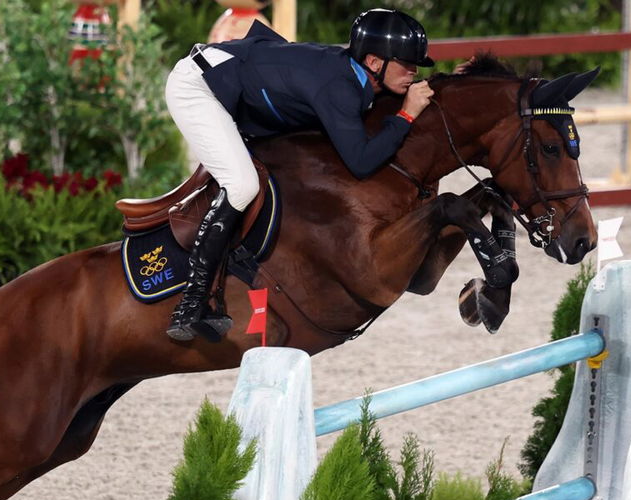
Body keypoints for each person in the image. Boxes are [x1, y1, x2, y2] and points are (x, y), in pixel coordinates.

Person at [163, 8, 436, 342]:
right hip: (198, 87)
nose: (413, 72)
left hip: (236, 79)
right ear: (375, 62)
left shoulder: (355, 76)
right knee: (243, 185)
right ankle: (191, 304)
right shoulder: (338, 87)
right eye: (406, 63)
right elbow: (362, 162)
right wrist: (407, 115)